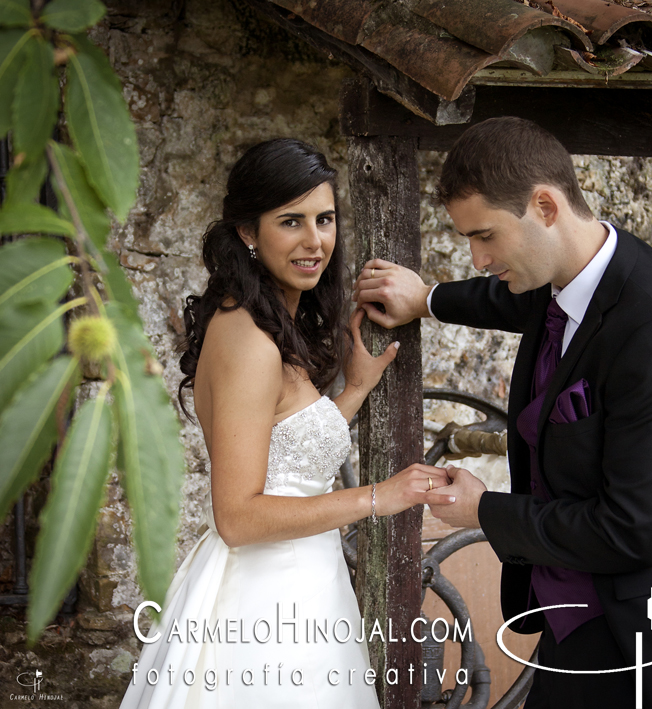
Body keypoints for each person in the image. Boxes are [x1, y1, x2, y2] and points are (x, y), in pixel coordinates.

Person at [353, 117, 652, 708]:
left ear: (545, 205)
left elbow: (630, 529)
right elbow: (508, 298)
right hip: (574, 615)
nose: (478, 256)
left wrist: (482, 509)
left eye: (486, 236)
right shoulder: (568, 279)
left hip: (645, 633)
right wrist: (427, 299)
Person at [120, 138, 454, 708]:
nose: (315, 241)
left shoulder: (265, 323)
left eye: (325, 219)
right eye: (291, 222)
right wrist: (381, 496)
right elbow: (240, 517)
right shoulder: (248, 340)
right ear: (249, 233)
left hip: (306, 584)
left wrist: (351, 392)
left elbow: (284, 454)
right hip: (268, 602)